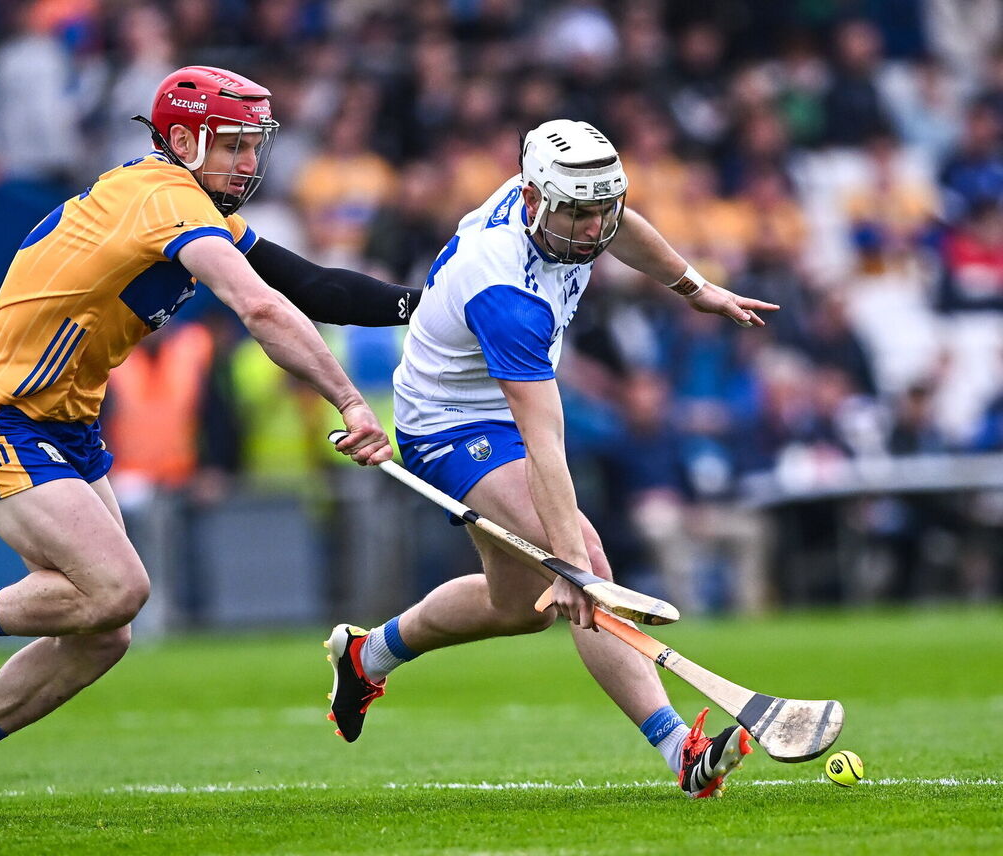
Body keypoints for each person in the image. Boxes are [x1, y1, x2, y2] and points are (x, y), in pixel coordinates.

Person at [0, 65, 420, 820]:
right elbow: (262, 310)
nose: (248, 161)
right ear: (179, 140)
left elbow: (318, 287)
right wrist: (348, 399)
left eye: (252, 144)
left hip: (65, 421)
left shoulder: (185, 201)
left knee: (106, 631)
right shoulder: (164, 199)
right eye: (231, 144)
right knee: (116, 590)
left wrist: (432, 307)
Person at [326, 120, 778, 798]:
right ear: (536, 199)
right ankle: (678, 750)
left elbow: (622, 227)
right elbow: (543, 442)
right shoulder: (506, 292)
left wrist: (694, 288)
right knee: (588, 568)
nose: (594, 230)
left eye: (603, 209)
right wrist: (571, 562)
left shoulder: (565, 201)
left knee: (520, 606)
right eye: (580, 213)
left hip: (500, 408)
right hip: (453, 425)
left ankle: (369, 655)